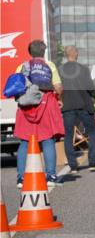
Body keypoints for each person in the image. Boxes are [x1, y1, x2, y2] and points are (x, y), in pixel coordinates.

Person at [14, 40, 64, 188]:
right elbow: (58, 87)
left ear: (30, 52)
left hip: (26, 106)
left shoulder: (22, 66)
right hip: (45, 104)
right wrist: (59, 98)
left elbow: (16, 86)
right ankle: (51, 176)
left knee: (25, 141)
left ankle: (21, 178)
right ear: (44, 51)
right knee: (47, 140)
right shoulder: (50, 65)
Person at [57, 45, 95, 173]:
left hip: (67, 106)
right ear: (76, 54)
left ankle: (73, 165)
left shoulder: (60, 70)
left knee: (68, 135)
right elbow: (90, 88)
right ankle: (92, 162)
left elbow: (58, 88)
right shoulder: (83, 69)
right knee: (91, 133)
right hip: (84, 105)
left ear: (66, 55)